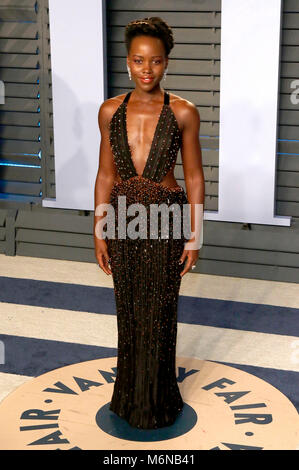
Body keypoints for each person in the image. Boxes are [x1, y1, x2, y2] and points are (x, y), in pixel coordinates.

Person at [93, 17, 205, 429]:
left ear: (166, 64)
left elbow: (194, 176)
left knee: (160, 311)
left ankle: (159, 400)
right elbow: (106, 175)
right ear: (127, 62)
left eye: (155, 61)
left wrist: (193, 237)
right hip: (122, 218)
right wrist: (99, 228)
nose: (146, 70)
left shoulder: (183, 112)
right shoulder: (109, 111)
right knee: (129, 311)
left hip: (166, 218)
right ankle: (127, 397)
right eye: (138, 61)